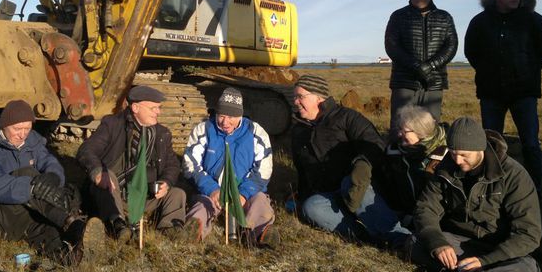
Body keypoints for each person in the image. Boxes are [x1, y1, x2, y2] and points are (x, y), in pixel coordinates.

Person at [411, 117, 541, 272]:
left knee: (527, 268)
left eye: (463, 155)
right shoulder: (446, 168)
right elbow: (425, 209)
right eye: (453, 153)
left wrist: (485, 260)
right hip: (459, 243)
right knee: (415, 242)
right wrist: (438, 244)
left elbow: (529, 234)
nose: (457, 160)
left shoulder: (514, 176)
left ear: (480, 148)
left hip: (501, 251)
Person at [291, 74, 408, 246]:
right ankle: (365, 237)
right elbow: (302, 169)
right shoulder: (298, 130)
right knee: (311, 207)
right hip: (329, 195)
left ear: (319, 97)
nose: (295, 102)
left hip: (358, 185)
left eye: (300, 96)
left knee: (351, 184)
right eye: (294, 97)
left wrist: (362, 167)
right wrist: (300, 196)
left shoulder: (346, 117)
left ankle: (402, 239)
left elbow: (374, 143)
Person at [0, 100, 87, 265]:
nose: (22, 134)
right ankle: (72, 222)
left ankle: (69, 255)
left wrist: (53, 176)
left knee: (44, 224)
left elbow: (49, 161)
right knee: (28, 175)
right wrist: (31, 188)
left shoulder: (32, 140)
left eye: (27, 129)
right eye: (17, 129)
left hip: (24, 210)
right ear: (4, 125)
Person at [465, 0, 542, 193]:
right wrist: (488, 72)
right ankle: (492, 189)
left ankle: (534, 192)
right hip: (491, 92)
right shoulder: (480, 22)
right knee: (492, 143)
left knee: (530, 144)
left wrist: (528, 69)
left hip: (524, 92)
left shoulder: (533, 20)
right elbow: (471, 52)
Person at [77, 85, 186, 241]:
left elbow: (172, 165)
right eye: (153, 108)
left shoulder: (162, 133)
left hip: (146, 193)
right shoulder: (112, 125)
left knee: (177, 194)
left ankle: (170, 228)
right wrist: (98, 172)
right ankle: (118, 225)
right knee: (109, 178)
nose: (158, 112)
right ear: (135, 107)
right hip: (114, 191)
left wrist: (165, 182)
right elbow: (86, 151)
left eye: (159, 108)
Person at [183, 87, 278, 246]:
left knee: (260, 203)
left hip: (246, 191)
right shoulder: (204, 129)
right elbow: (190, 164)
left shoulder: (256, 132)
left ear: (240, 115)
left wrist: (243, 194)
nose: (225, 122)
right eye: (221, 116)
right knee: (202, 207)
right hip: (213, 190)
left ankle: (262, 233)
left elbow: (263, 170)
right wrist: (211, 189)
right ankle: (193, 231)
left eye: (232, 116)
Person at [384, 0, 458, 131]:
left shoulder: (444, 17)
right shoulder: (398, 16)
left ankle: (429, 156)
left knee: (429, 128)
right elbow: (392, 46)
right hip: (404, 82)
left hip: (433, 82)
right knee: (401, 128)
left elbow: (451, 46)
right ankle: (397, 156)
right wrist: (416, 66)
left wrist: (429, 67)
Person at [379, 105, 448, 227]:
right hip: (403, 213)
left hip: (436, 218)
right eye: (399, 128)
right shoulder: (393, 152)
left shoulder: (444, 156)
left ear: (421, 132)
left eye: (404, 131)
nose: (400, 134)